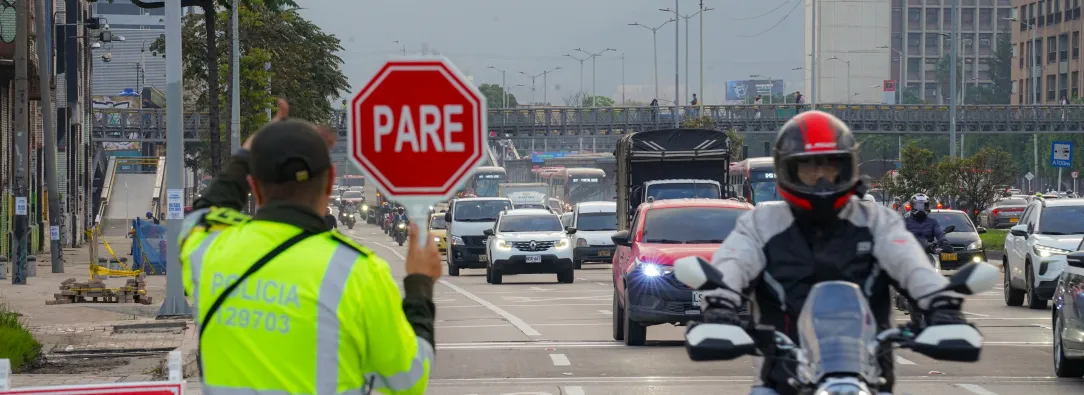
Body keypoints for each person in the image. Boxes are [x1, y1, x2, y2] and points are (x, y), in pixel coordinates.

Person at [179, 99, 440, 395]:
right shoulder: (358, 273)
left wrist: (248, 153)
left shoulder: (209, 251)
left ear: (254, 185)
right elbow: (408, 379)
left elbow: (204, 214)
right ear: (330, 182)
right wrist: (420, 284)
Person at [702, 111, 966, 395]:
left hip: (869, 378)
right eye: (808, 166)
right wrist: (720, 304)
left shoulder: (876, 221)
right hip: (784, 380)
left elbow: (913, 266)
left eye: (829, 166)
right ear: (788, 171)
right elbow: (733, 263)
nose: (820, 176)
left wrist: (942, 306)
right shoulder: (761, 224)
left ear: (846, 168)